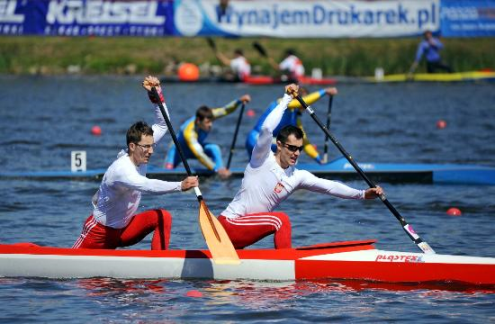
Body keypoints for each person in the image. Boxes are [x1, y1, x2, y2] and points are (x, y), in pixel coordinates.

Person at [218, 84, 383, 250]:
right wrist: (287, 98)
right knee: (280, 220)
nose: (296, 153)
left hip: (243, 235)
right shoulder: (261, 158)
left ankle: (282, 263)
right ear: (280, 145)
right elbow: (267, 128)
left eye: (299, 149)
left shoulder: (298, 176)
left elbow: (330, 187)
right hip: (228, 224)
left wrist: (362, 194)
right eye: (291, 148)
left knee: (278, 220)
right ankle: (287, 264)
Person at [73, 76, 199, 250]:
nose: (151, 151)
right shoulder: (122, 169)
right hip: (99, 233)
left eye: (152, 145)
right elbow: (146, 185)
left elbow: (163, 125)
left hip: (125, 229)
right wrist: (180, 185)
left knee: (163, 217)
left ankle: (159, 263)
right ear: (132, 146)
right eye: (146, 147)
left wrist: (157, 96)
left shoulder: (141, 151)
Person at [164, 94, 251, 179]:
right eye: (207, 122)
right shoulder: (189, 132)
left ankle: (221, 171)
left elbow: (225, 110)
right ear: (198, 121)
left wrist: (239, 101)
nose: (210, 125)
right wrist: (215, 169)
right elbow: (199, 154)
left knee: (214, 148)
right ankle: (218, 170)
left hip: (197, 148)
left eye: (211, 121)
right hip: (178, 152)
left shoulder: (209, 115)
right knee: (166, 176)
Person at [245, 87, 337, 164]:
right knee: (292, 147)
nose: (305, 107)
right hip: (257, 139)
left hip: (263, 143)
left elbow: (304, 142)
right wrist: (324, 91)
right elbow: (302, 101)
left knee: (256, 170)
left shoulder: (295, 118)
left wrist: (319, 160)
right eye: (305, 105)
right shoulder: (282, 102)